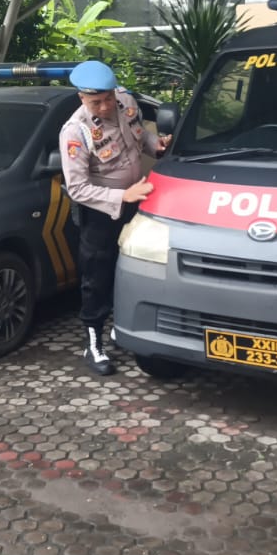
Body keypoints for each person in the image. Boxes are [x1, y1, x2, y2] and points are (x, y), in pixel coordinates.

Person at [59, 60, 171, 376]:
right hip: (102, 212)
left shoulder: (125, 100)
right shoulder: (76, 131)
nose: (106, 106)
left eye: (108, 97)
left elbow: (140, 137)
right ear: (82, 98)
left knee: (135, 266)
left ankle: (122, 328)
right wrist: (122, 196)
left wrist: (158, 146)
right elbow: (77, 188)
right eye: (97, 101)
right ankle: (93, 342)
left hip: (138, 200)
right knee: (98, 276)